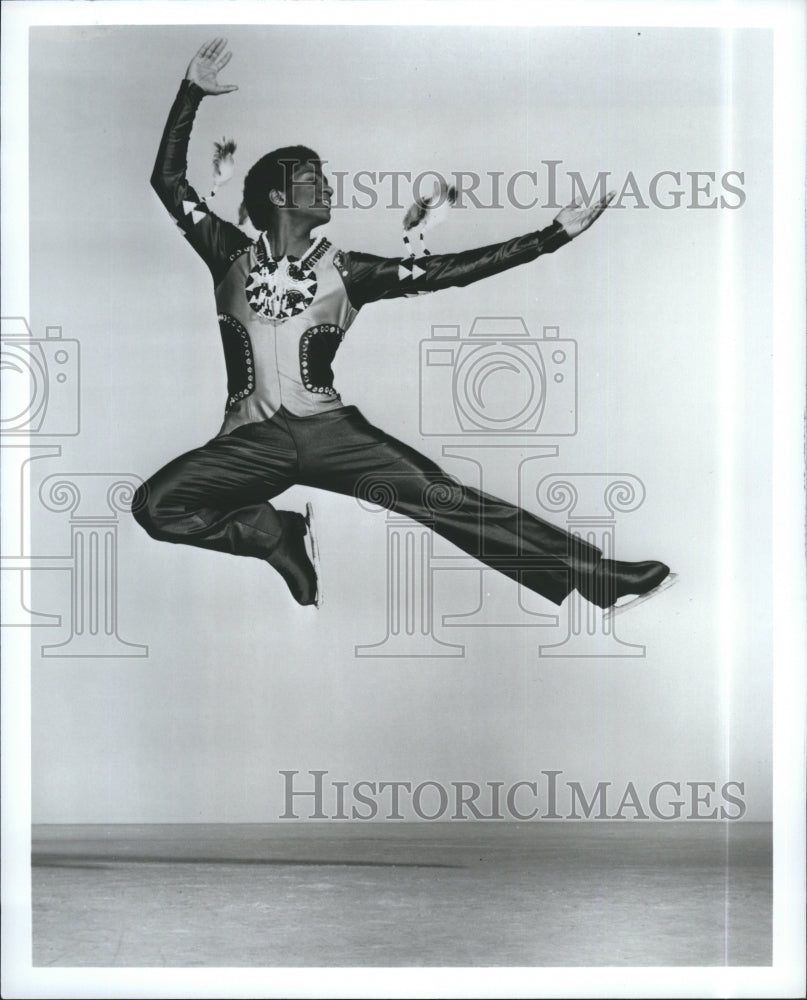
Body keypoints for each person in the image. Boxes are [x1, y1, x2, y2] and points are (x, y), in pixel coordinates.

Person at [133, 38, 676, 616]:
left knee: (448, 500)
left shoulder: (349, 271)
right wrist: (191, 91)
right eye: (312, 178)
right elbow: (168, 182)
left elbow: (449, 272)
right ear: (277, 194)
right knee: (156, 505)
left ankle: (600, 579)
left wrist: (548, 237)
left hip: (332, 435)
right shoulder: (227, 253)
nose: (327, 186)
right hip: (250, 441)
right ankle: (276, 537)